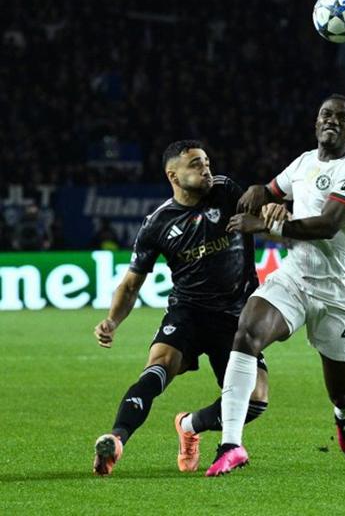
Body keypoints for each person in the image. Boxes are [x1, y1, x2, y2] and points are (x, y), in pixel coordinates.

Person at [205, 94, 345, 477]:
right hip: (295, 278)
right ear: (316, 122)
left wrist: (268, 225)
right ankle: (231, 444)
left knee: (342, 392)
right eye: (325, 115)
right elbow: (272, 191)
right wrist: (258, 191)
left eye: (342, 117)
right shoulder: (304, 162)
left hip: (338, 293)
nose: (332, 121)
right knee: (247, 332)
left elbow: (327, 225)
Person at [91, 140, 269, 476]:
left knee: (257, 401)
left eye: (207, 162)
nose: (206, 169)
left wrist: (267, 213)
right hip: (188, 310)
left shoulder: (227, 190)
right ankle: (116, 439)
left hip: (236, 315)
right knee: (158, 366)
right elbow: (131, 284)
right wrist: (112, 321)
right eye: (196, 164)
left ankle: (189, 425)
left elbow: (265, 213)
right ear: (173, 175)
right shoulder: (157, 224)